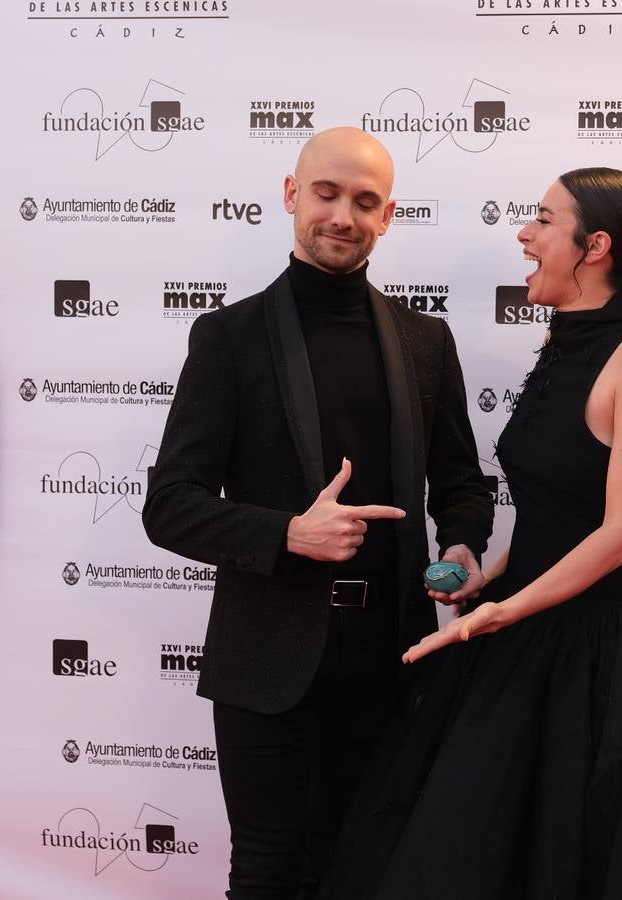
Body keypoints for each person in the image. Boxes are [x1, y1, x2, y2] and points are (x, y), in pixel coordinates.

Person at [318, 168, 622, 900]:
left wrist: (501, 612)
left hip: (608, 664)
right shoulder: (564, 343)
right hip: (527, 636)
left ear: (594, 246)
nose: (524, 236)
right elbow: (559, 516)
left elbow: (621, 533)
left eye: (541, 221)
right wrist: (489, 579)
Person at [142, 127, 494, 900]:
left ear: (388, 215)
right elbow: (169, 507)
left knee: (368, 869)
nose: (343, 215)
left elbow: (463, 480)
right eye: (327, 194)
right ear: (292, 194)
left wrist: (464, 544)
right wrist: (287, 533)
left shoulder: (425, 341)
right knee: (269, 874)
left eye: (364, 202)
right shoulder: (229, 338)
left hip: (391, 658)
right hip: (266, 659)